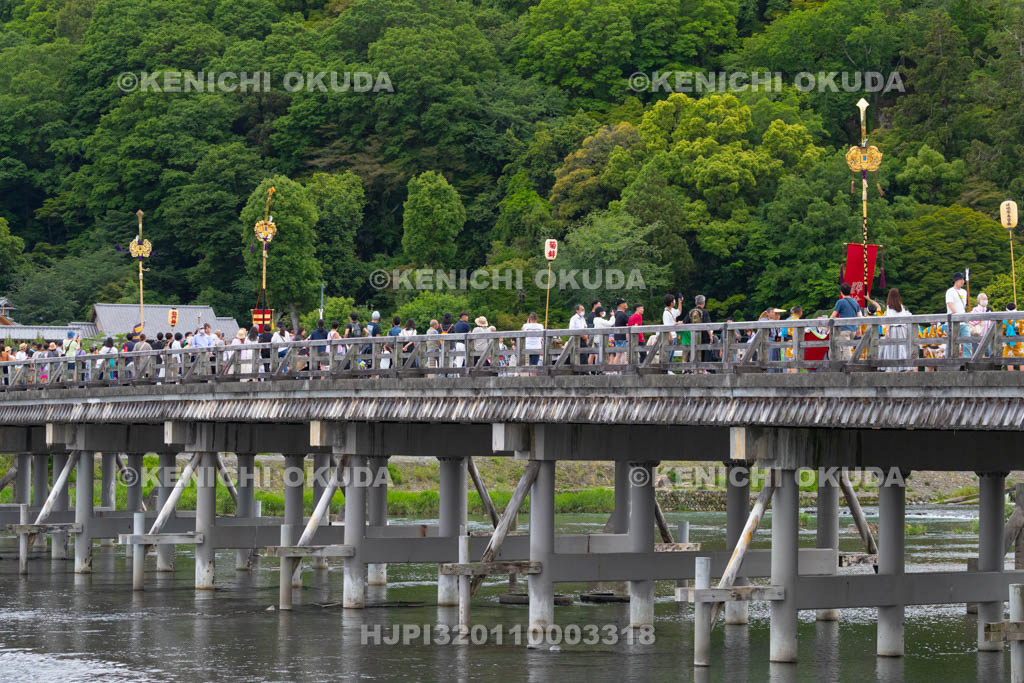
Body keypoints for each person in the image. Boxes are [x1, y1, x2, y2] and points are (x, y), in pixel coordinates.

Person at [879, 288, 914, 372]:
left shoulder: (889, 307)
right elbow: (905, 319)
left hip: (893, 329)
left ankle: (891, 368)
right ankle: (905, 366)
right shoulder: (901, 306)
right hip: (901, 329)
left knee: (891, 348)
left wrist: (887, 331)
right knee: (902, 347)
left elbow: (889, 320)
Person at [830, 282, 861, 361]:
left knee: (846, 348)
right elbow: (859, 317)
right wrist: (859, 329)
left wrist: (827, 326)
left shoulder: (840, 302)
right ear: (850, 291)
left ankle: (849, 365)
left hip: (844, 329)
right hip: (853, 329)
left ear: (841, 292)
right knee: (848, 348)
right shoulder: (855, 302)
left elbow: (833, 316)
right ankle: (846, 363)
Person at [946, 272, 969, 356]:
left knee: (967, 342)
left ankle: (967, 360)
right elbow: (950, 305)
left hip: (963, 322)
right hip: (952, 322)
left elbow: (963, 306)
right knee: (952, 344)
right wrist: (957, 316)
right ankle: (948, 360)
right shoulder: (950, 291)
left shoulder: (964, 292)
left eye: (963, 279)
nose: (963, 281)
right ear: (956, 280)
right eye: (961, 279)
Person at [968, 292, 992, 358]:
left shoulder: (989, 310)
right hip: (977, 333)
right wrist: (981, 319)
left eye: (986, 299)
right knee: (976, 353)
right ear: (979, 300)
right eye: (983, 299)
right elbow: (971, 321)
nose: (985, 301)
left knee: (988, 353)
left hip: (987, 334)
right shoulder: (975, 310)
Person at [782, 306, 803, 373]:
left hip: (787, 342)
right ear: (800, 312)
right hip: (795, 343)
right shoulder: (798, 321)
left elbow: (783, 333)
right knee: (795, 363)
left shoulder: (787, 320)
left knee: (788, 363)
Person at [1004, 304, 1024, 371]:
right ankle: (1022, 375)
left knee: (1009, 360)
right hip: (1018, 340)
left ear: (1006, 309)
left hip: (1008, 340)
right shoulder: (1019, 318)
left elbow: (1002, 331)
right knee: (1022, 359)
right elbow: (1022, 331)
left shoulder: (1005, 318)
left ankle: (1010, 376)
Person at [611, 298, 630, 365]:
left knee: (619, 354)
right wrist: (628, 339)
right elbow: (629, 325)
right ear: (621, 305)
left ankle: (618, 369)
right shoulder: (623, 314)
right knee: (620, 354)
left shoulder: (616, 314)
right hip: (622, 337)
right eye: (624, 303)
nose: (626, 304)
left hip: (616, 336)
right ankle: (616, 368)